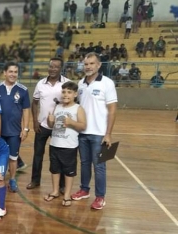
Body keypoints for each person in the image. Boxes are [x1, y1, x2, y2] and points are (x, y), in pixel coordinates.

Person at [72, 52, 117, 210]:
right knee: (84, 163)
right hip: (82, 132)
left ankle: (100, 197)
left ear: (99, 65)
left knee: (99, 166)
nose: (88, 66)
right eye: (86, 64)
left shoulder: (107, 83)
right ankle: (84, 189)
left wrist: (108, 134)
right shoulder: (80, 84)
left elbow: (112, 110)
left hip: (100, 134)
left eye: (92, 63)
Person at [28, 57, 70, 191]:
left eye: (56, 67)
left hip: (59, 126)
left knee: (59, 155)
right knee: (38, 155)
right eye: (51, 66)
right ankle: (35, 180)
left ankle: (62, 185)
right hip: (42, 126)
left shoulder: (67, 83)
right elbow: (34, 103)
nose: (53, 69)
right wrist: (35, 121)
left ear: (61, 69)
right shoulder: (40, 83)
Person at [44, 81, 86, 206]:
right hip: (55, 143)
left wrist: (71, 122)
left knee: (69, 171)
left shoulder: (78, 108)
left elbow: (83, 126)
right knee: (54, 169)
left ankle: (67, 194)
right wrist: (49, 121)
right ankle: (55, 191)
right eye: (63, 92)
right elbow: (52, 125)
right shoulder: (58, 107)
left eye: (69, 92)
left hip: (69, 146)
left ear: (75, 94)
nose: (65, 94)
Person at [0, 62, 30, 193]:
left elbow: (26, 110)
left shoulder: (23, 90)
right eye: (11, 71)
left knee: (13, 158)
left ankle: (12, 180)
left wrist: (25, 129)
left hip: (14, 131)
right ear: (5, 73)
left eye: (15, 72)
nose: (13, 74)